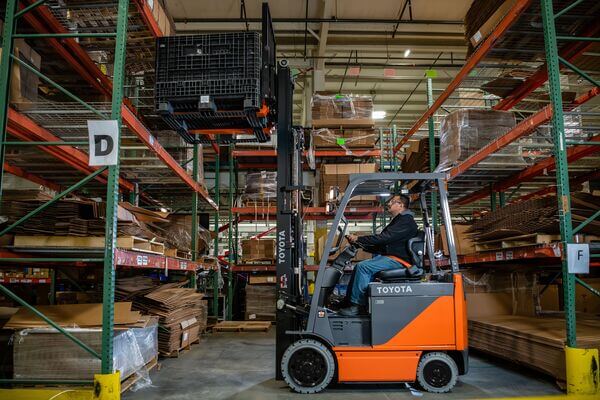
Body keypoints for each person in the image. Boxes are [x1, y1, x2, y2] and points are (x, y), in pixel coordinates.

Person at [339, 194, 418, 316]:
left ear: (401, 205)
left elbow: (384, 238)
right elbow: (384, 245)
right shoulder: (398, 221)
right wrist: (360, 244)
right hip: (392, 257)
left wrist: (359, 238)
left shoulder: (406, 220)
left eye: (392, 202)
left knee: (363, 267)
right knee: (358, 268)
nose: (389, 204)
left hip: (399, 260)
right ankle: (349, 302)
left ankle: (357, 306)